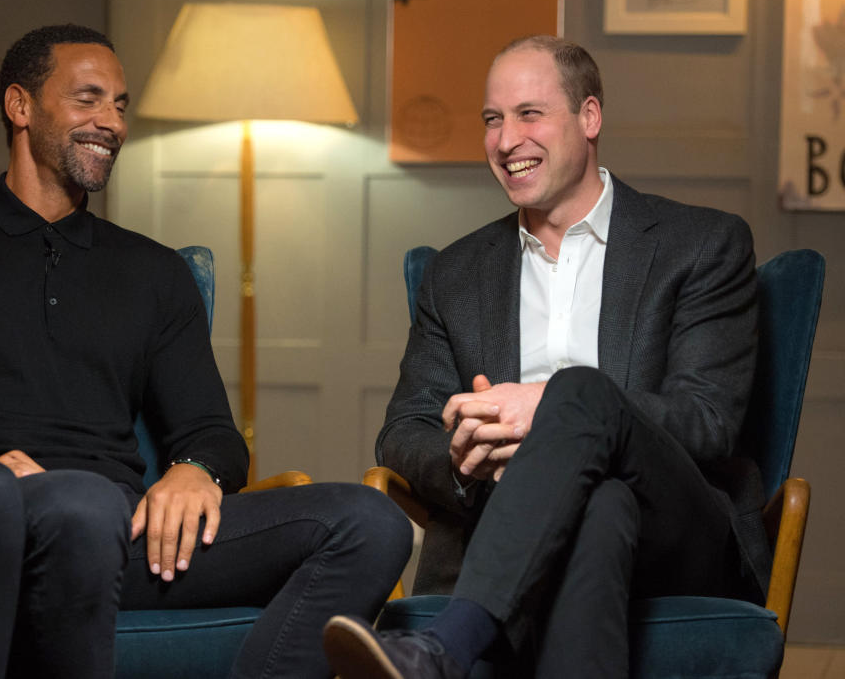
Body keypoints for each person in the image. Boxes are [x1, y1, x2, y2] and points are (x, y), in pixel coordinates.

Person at [0, 24, 412, 679]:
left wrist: (195, 469)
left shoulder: (154, 273)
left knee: (369, 522)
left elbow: (213, 433)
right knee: (81, 502)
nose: (111, 122)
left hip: (121, 541)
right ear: (20, 107)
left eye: (120, 105)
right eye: (88, 99)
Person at [323, 35, 771, 679]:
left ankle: (445, 647)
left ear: (589, 118)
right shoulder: (457, 273)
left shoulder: (699, 245)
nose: (506, 140)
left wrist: (548, 409)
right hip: (513, 519)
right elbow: (402, 431)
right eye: (492, 119)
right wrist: (462, 458)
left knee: (579, 393)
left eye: (529, 114)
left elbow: (708, 421)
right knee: (600, 505)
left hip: (676, 528)